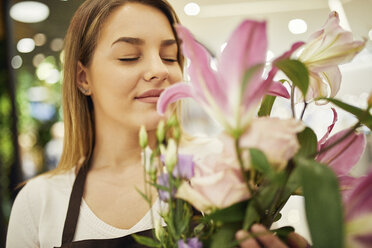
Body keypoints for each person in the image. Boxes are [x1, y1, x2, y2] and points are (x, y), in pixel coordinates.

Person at [6, 0, 308, 247]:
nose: (158, 70)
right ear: (83, 78)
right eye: (128, 57)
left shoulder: (222, 165)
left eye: (170, 56)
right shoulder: (39, 201)